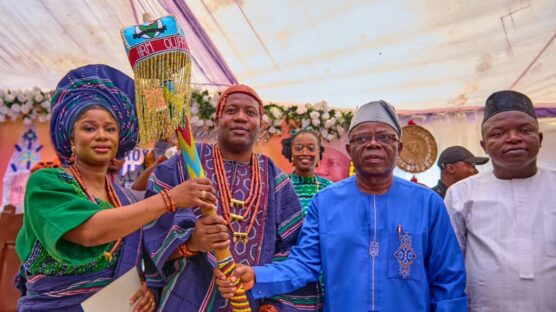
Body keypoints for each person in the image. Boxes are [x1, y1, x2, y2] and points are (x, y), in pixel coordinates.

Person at [215, 100, 467, 311]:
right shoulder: (325, 202)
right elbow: (304, 265)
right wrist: (257, 276)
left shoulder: (427, 203)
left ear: (399, 148)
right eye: (362, 138)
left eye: (384, 137)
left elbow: (448, 278)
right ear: (350, 149)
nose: (373, 144)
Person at [15, 64, 216, 311]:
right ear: (71, 139)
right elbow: (89, 232)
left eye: (110, 129)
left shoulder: (123, 197)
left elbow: (142, 254)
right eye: (89, 128)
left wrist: (146, 286)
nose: (102, 135)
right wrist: (169, 199)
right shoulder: (47, 183)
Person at [143, 84, 320, 311]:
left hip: (252, 304)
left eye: (250, 113)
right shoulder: (183, 164)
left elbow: (293, 249)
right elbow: (148, 227)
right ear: (217, 119)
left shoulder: (275, 177)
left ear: (262, 124)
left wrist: (273, 304)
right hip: (186, 300)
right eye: (231, 110)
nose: (240, 118)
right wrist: (191, 242)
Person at [445, 90, 556, 311]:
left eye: (524, 130)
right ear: (484, 145)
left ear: (540, 139)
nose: (513, 138)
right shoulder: (461, 194)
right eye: (499, 133)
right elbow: (449, 266)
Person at [281, 129, 333, 213]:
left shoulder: (329, 187)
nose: (305, 153)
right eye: (298, 148)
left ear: (318, 153)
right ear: (291, 153)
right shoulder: (280, 186)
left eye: (311, 148)